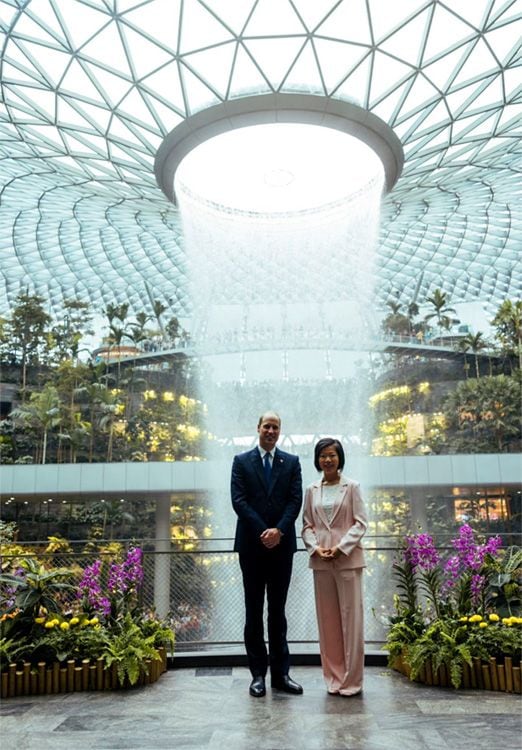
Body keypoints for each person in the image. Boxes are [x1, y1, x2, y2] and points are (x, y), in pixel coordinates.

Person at [231, 411, 303, 697]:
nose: (271, 431)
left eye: (275, 427)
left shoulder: (292, 463)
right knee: (253, 612)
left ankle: (281, 675)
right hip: (252, 547)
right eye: (267, 426)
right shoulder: (241, 462)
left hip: (282, 548)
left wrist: (279, 531)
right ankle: (258, 675)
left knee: (278, 612)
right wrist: (265, 531)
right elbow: (239, 500)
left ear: (279, 431)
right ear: (258, 428)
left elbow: (295, 500)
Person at [302, 437, 368, 696]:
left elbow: (360, 522)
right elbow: (307, 525)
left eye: (332, 455)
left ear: (340, 458)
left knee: (352, 621)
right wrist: (315, 547)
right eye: (322, 456)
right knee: (327, 622)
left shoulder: (352, 487)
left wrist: (341, 547)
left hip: (347, 560)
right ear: (317, 460)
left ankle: (352, 681)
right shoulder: (311, 490)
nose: (327, 460)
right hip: (321, 561)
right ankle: (333, 678)